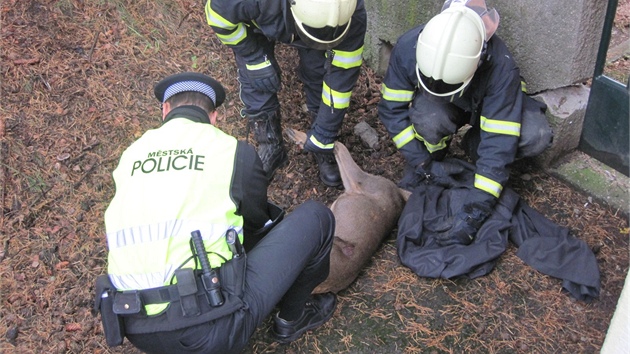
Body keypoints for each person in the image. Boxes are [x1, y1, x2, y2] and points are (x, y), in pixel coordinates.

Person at [94, 72, 337, 353]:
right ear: (213, 117)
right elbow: (256, 223)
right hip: (207, 333)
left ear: (165, 110)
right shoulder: (230, 150)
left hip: (135, 328)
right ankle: (291, 319)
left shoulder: (132, 154)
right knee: (317, 218)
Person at [378, 0, 553, 246]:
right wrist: (421, 161)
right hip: (450, 102)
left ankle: (474, 144)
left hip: (491, 105)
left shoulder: (501, 69)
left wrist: (476, 209)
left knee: (535, 136)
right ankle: (437, 153)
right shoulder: (411, 46)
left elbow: (500, 143)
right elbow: (391, 110)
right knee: (428, 118)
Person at [205, 0, 367, 187]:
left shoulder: (350, 11)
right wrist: (253, 56)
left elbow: (342, 74)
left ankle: (321, 140)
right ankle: (270, 143)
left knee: (319, 71)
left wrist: (326, 130)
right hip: (256, 21)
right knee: (256, 78)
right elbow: (218, 19)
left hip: (310, 23)